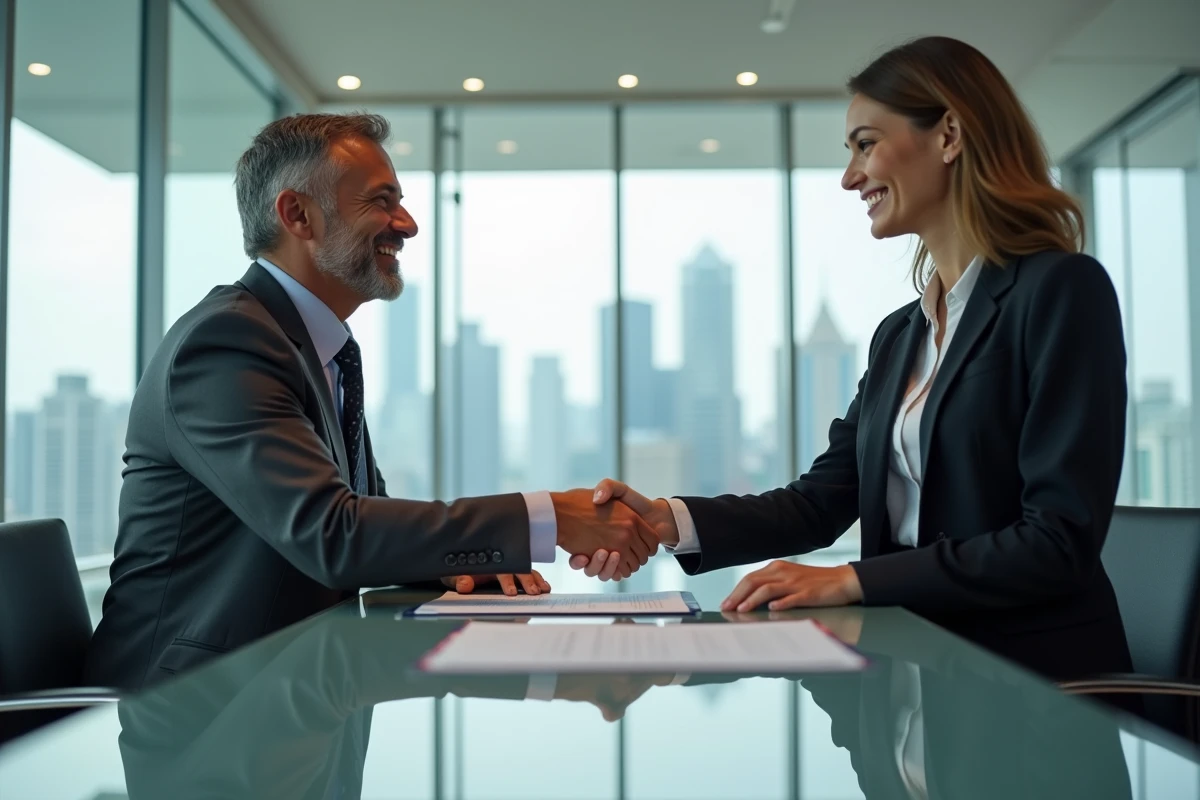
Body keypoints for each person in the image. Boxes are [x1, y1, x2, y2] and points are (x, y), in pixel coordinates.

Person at [576, 35, 1132, 680]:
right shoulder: (901, 335)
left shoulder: (1061, 290)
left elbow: (1056, 541)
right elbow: (820, 503)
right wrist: (668, 519)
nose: (849, 177)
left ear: (949, 135)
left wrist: (854, 579)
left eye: (866, 144)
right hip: (911, 670)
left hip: (1031, 688)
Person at [85, 113, 658, 691]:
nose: (406, 224)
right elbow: (333, 534)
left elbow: (367, 524)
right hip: (193, 712)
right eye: (382, 201)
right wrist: (550, 516)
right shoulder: (228, 344)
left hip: (293, 692)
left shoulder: (318, 348)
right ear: (297, 215)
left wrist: (473, 563)